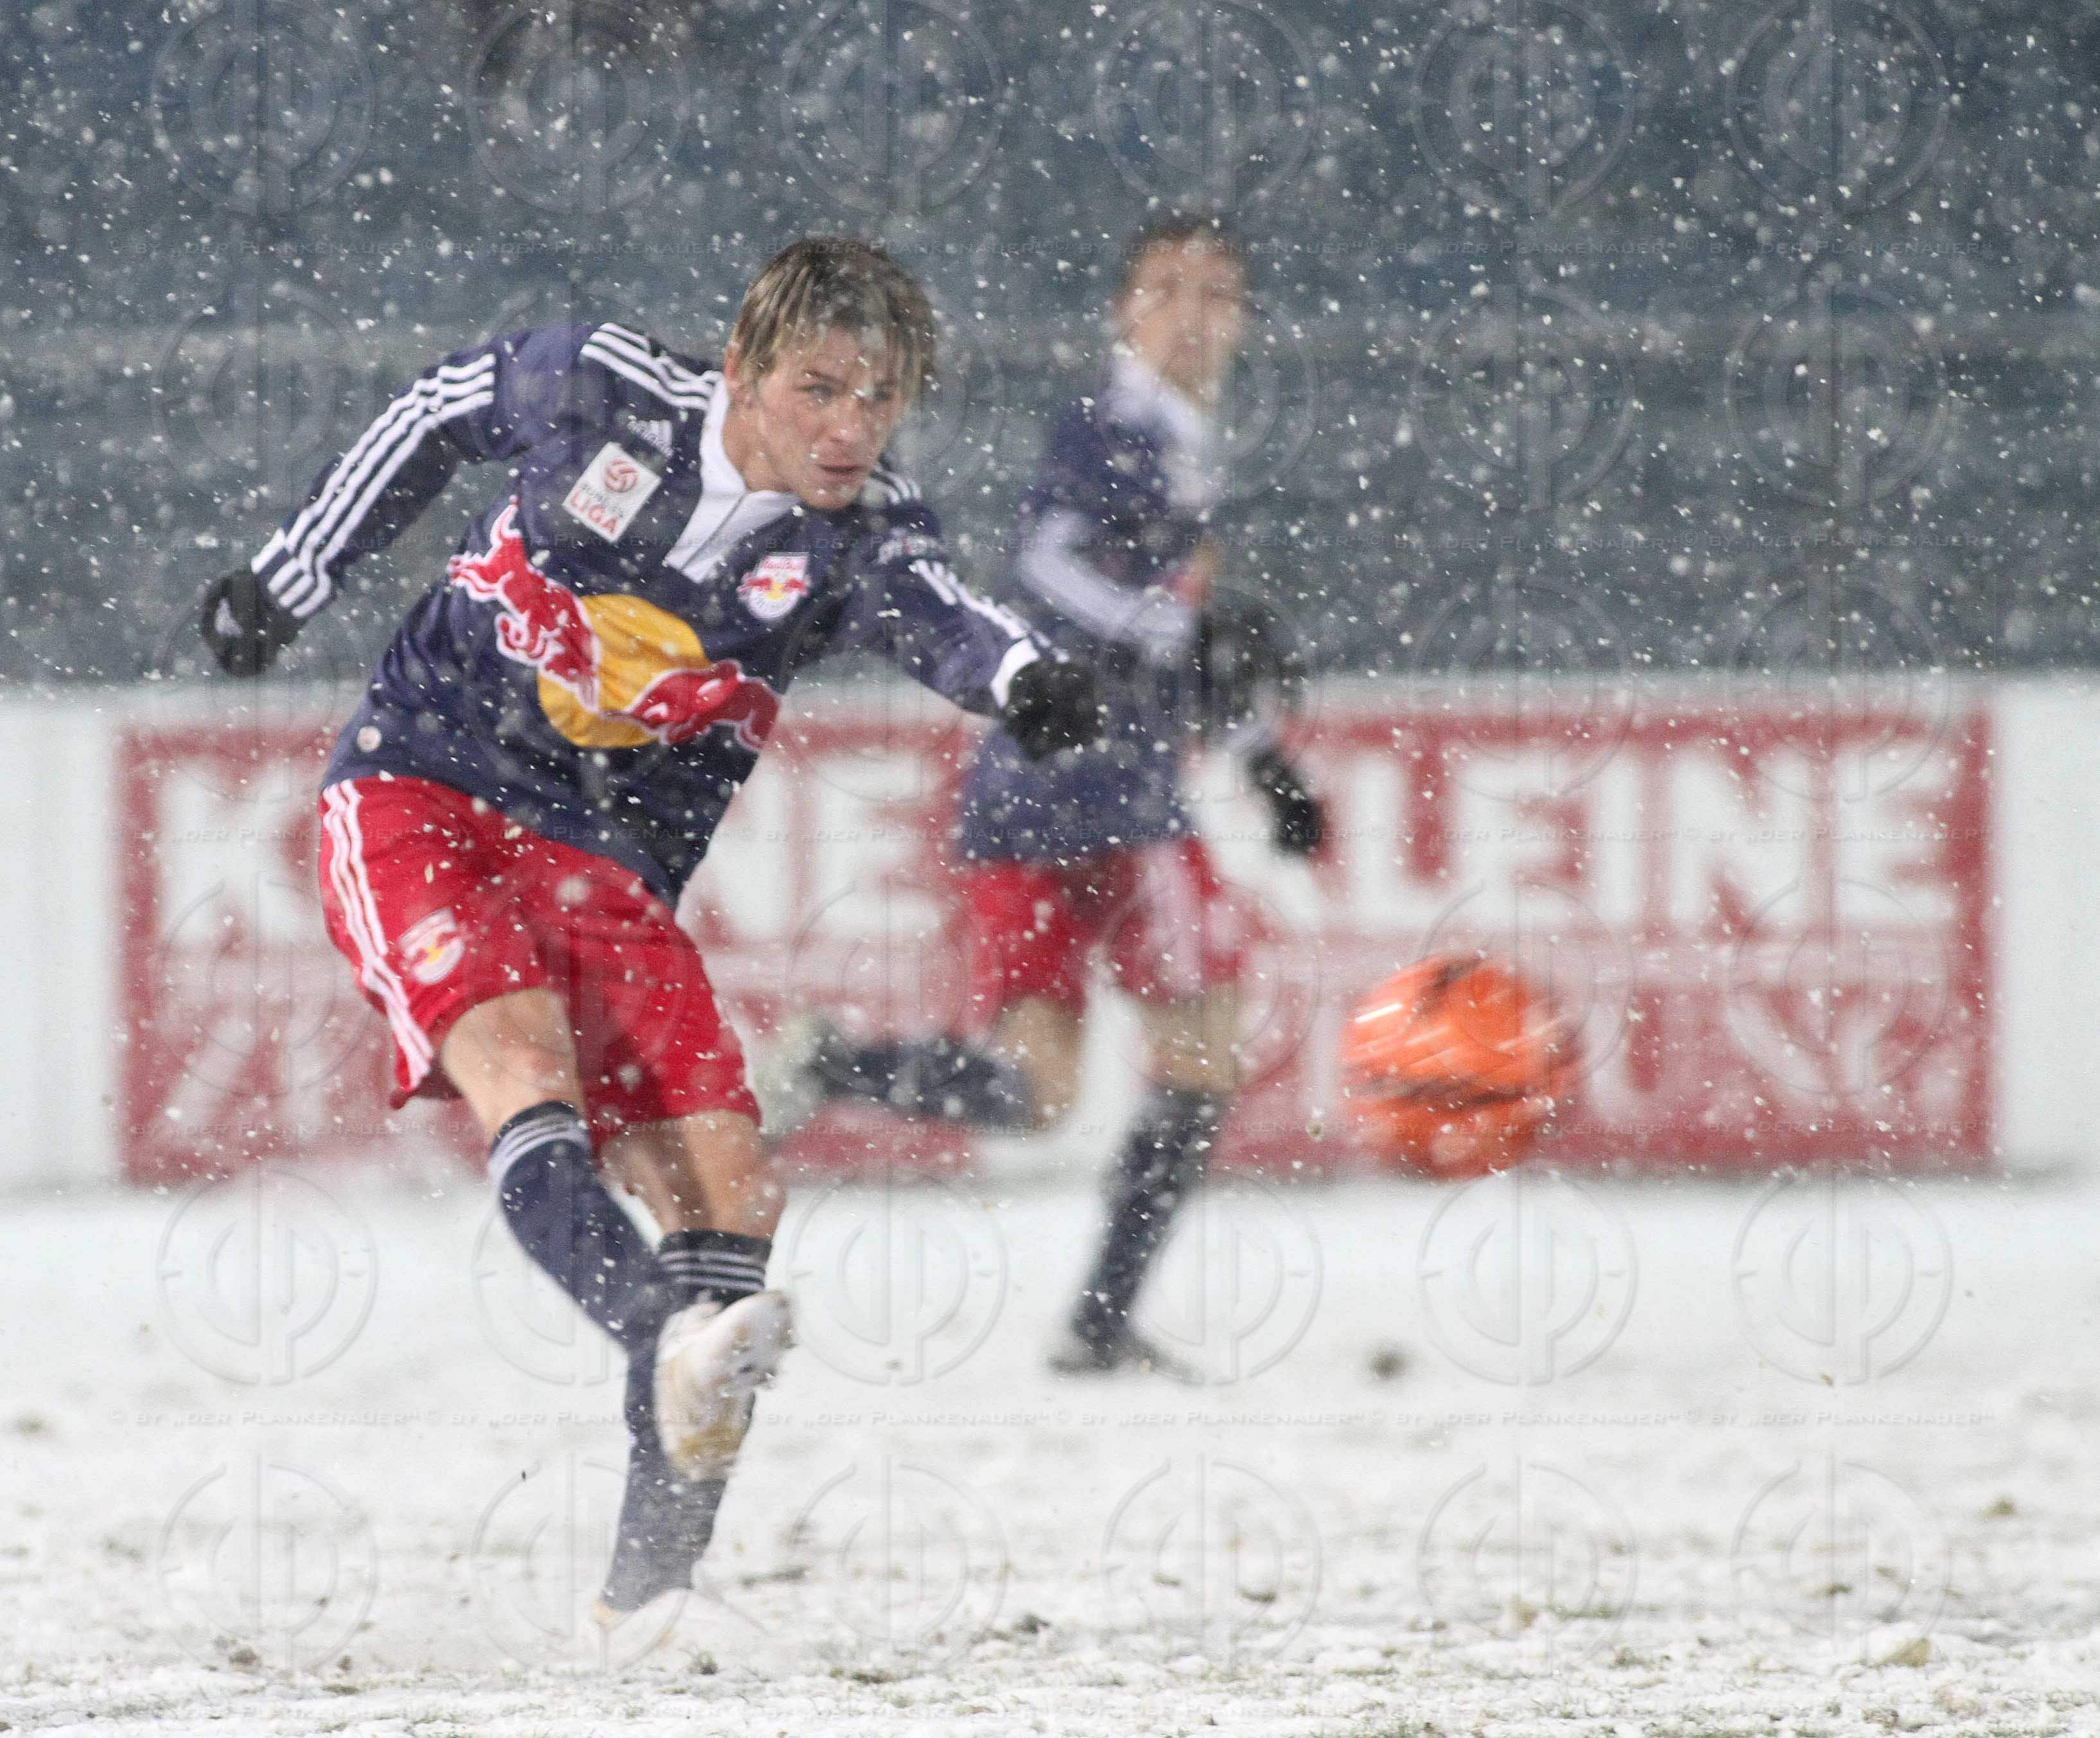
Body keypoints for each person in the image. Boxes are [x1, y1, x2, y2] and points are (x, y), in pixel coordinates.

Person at [197, 238, 1100, 1620]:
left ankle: (647, 1607)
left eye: (881, 396)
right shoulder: (602, 388)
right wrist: (287, 576)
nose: (851, 428)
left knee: (732, 1198)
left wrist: (1028, 676)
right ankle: (658, 1334)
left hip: (602, 861)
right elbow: (434, 413)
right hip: (419, 785)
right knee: (521, 1066)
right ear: (740, 369)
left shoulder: (862, 532)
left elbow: (946, 617)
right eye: (819, 390)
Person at [758, 216, 1326, 1379]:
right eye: (1165, 288)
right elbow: (1048, 564)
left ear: (1242, 321)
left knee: (1037, 1090)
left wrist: (1260, 753)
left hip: (1029, 789)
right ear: (1122, 313)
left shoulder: (1184, 446)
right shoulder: (1113, 425)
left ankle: (834, 1066)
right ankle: (1099, 1322)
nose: (1190, 315)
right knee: (1198, 1055)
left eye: (1216, 293)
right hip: (1107, 790)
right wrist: (1182, 635)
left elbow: (1180, 633)